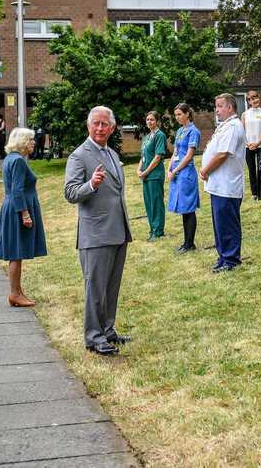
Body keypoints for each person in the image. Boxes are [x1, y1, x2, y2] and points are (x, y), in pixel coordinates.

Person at [64, 106, 132, 356]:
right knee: (95, 289)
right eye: (96, 124)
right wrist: (91, 185)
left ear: (112, 128)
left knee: (111, 287)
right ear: (88, 125)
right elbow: (70, 193)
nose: (100, 128)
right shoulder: (79, 156)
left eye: (105, 124)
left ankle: (107, 329)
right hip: (95, 234)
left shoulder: (113, 154)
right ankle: (93, 337)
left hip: (118, 230)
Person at [0, 128, 47, 308]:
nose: (34, 143)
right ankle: (15, 294)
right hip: (18, 208)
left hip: (13, 206)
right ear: (23, 141)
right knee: (16, 253)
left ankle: (17, 292)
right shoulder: (17, 160)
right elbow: (17, 189)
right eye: (31, 140)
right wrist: (25, 214)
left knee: (15, 252)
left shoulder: (11, 158)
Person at [200, 94, 245, 272]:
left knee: (227, 222)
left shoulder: (233, 126)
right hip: (219, 185)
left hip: (227, 185)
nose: (217, 110)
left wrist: (205, 170)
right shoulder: (225, 126)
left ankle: (231, 258)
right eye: (216, 106)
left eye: (220, 106)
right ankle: (223, 255)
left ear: (230, 108)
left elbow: (223, 153)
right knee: (219, 223)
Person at [167, 103, 201, 253]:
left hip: (186, 172)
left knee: (188, 207)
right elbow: (175, 151)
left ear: (187, 114)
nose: (177, 117)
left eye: (180, 114)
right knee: (183, 208)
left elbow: (188, 156)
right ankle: (186, 242)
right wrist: (169, 167)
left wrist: (176, 171)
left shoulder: (193, 131)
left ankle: (190, 243)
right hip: (177, 171)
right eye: (176, 115)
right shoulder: (180, 130)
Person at [137, 111, 167, 241]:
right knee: (148, 203)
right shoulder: (146, 137)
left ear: (157, 121)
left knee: (156, 203)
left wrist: (146, 172)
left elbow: (158, 156)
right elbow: (143, 156)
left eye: (152, 120)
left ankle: (158, 230)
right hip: (145, 176)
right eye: (148, 119)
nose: (150, 122)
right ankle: (152, 229)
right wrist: (139, 170)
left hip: (154, 175)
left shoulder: (160, 136)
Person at [240, 91, 261, 200]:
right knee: (251, 169)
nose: (254, 100)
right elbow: (242, 130)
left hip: (260, 145)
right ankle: (254, 193)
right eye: (251, 99)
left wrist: (258, 143)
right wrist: (247, 143)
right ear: (248, 101)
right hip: (248, 146)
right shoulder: (244, 114)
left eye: (255, 97)